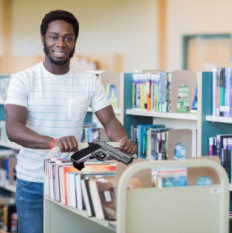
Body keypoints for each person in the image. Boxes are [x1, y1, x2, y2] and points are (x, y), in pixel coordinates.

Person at [5, 9, 137, 233]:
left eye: (68, 38)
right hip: (33, 183)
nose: (61, 43)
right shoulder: (23, 79)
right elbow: (13, 128)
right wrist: (53, 142)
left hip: (73, 179)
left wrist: (123, 142)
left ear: (75, 42)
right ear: (43, 40)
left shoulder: (89, 81)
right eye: (54, 37)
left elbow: (109, 122)